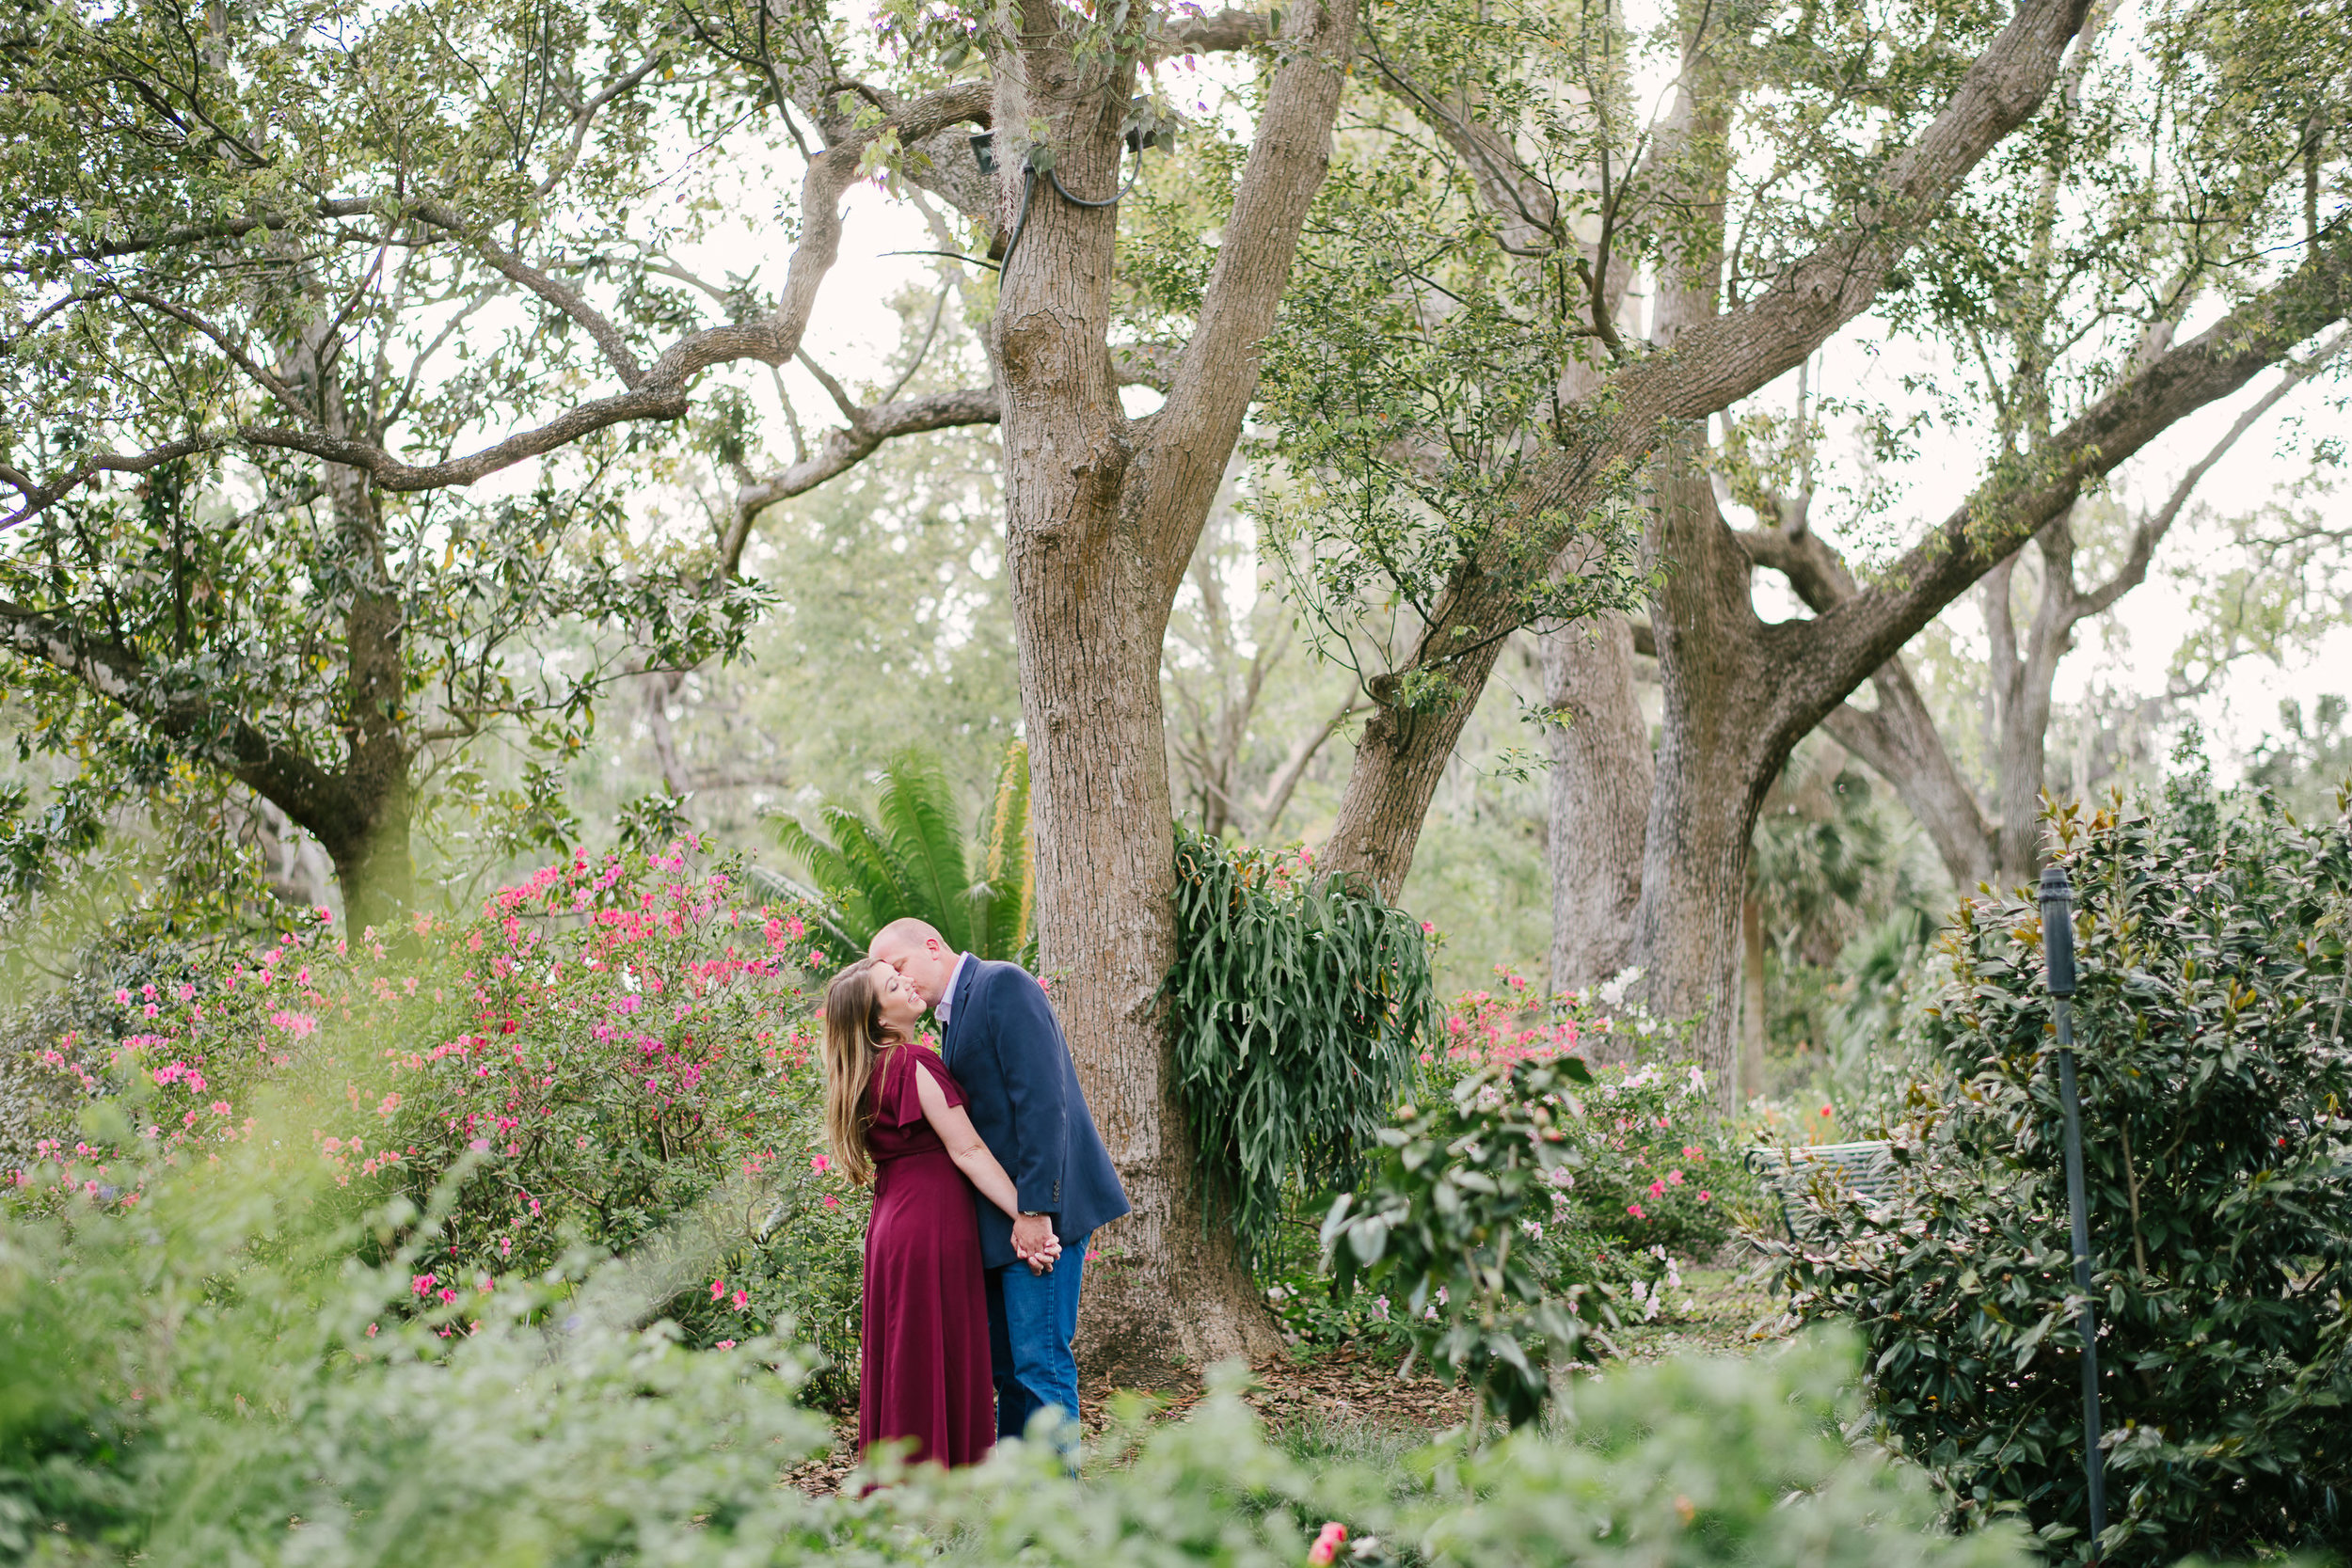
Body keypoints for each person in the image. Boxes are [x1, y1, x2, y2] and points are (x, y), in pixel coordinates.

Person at [868, 918, 1130, 1449]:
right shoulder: (951, 1017)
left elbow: (1042, 1103)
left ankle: (1058, 1508)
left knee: (1040, 1366)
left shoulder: (1001, 984)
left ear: (932, 946)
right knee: (1010, 1372)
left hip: (1041, 1219)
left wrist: (1034, 1212)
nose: (902, 982)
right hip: (1007, 1225)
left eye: (898, 968)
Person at [820, 958, 1058, 1470]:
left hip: (892, 1226)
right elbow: (968, 1150)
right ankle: (943, 1484)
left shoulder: (866, 1070)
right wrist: (1028, 1214)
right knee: (936, 1352)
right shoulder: (910, 1062)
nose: (906, 980)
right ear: (880, 1019)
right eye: (892, 983)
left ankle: (909, 1485)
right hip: (930, 1225)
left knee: (909, 1355)